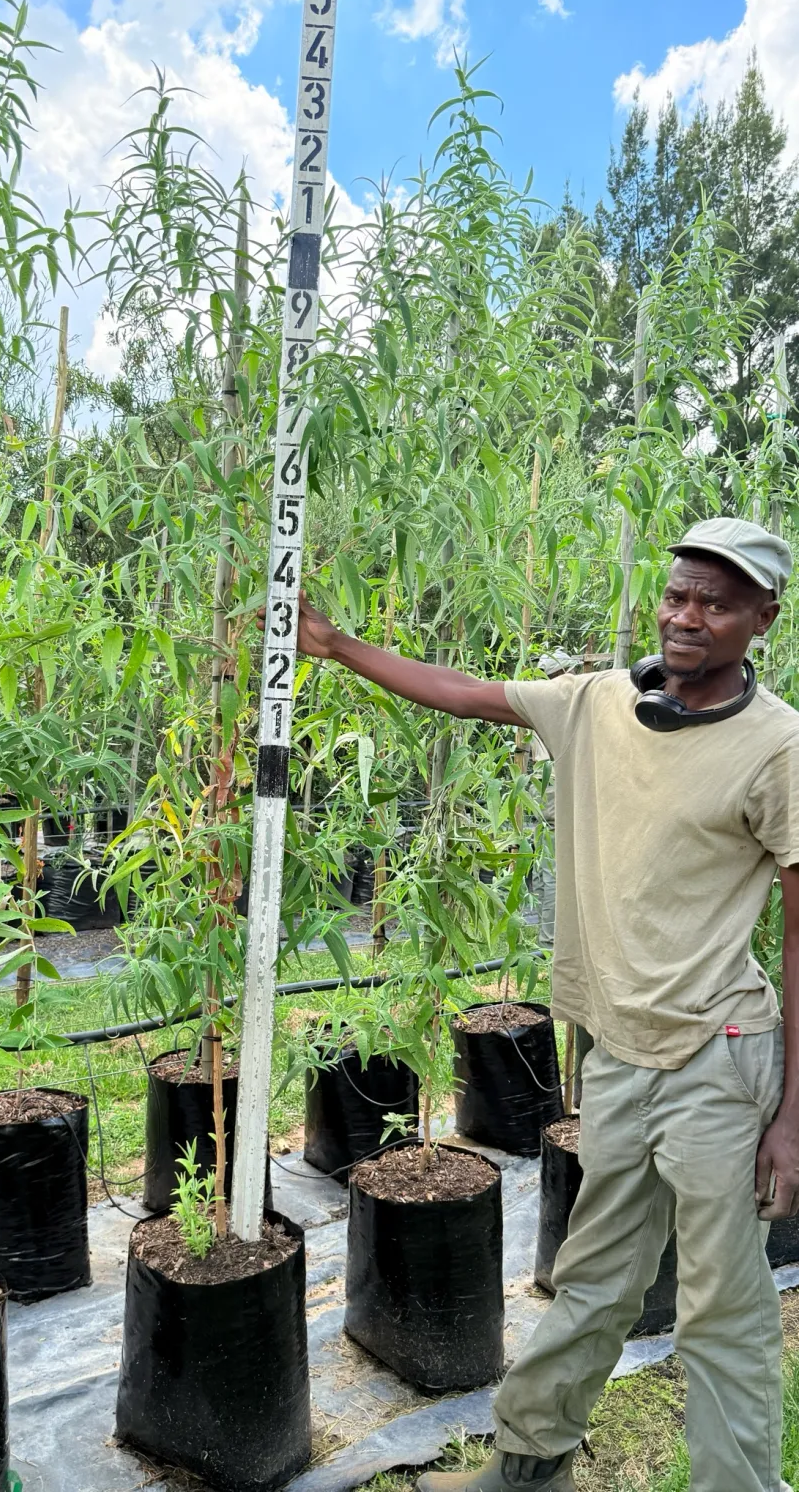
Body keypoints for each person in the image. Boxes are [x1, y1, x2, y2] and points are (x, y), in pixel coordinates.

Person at [285, 518, 799, 1492]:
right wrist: (336, 646)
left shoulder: (779, 750)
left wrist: (793, 1120)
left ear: (761, 619)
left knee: (721, 1303)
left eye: (717, 603)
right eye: (679, 594)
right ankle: (528, 1466)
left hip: (718, 1059)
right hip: (614, 1056)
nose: (688, 616)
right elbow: (468, 694)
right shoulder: (597, 704)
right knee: (593, 1279)